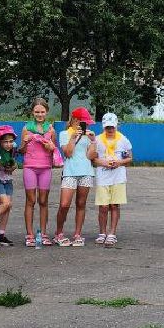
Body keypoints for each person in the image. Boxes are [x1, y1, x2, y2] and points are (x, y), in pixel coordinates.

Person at [88, 112, 132, 246]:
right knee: (103, 206)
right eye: (107, 127)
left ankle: (112, 233)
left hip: (118, 177)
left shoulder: (123, 139)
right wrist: (103, 163)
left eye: (112, 127)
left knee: (114, 205)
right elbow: (92, 158)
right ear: (103, 126)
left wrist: (119, 162)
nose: (110, 130)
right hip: (103, 176)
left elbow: (129, 158)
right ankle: (102, 232)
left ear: (116, 125)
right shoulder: (98, 139)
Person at [54, 106, 95, 247]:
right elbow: (68, 153)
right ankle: (58, 233)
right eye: (84, 122)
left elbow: (91, 156)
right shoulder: (64, 134)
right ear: (75, 120)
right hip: (70, 172)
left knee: (81, 204)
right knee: (64, 205)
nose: (86, 125)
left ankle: (78, 234)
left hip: (86, 172)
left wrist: (93, 141)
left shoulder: (89, 136)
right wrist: (73, 137)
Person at [19, 98, 57, 247]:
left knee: (43, 201)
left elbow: (55, 150)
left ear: (46, 112)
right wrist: (25, 142)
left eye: (42, 111)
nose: (39, 114)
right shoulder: (26, 128)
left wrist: (51, 146)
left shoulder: (51, 129)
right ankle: (29, 234)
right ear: (32, 112)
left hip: (46, 168)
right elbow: (21, 151)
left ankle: (43, 233)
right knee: (30, 201)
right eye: (37, 112)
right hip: (30, 167)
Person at [0, 125, 18, 246]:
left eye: (11, 141)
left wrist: (14, 166)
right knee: (5, 204)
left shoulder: (11, 150)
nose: (8, 144)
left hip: (8, 180)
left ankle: (1, 233)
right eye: (5, 142)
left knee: (7, 206)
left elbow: (12, 164)